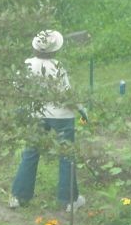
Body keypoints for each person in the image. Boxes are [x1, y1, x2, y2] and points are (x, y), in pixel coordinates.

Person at [10, 30, 86, 212]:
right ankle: (69, 201)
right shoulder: (57, 66)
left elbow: (17, 88)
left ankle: (19, 198)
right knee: (66, 155)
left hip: (35, 113)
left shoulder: (27, 64)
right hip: (61, 115)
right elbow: (66, 94)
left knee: (30, 152)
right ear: (54, 50)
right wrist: (82, 110)